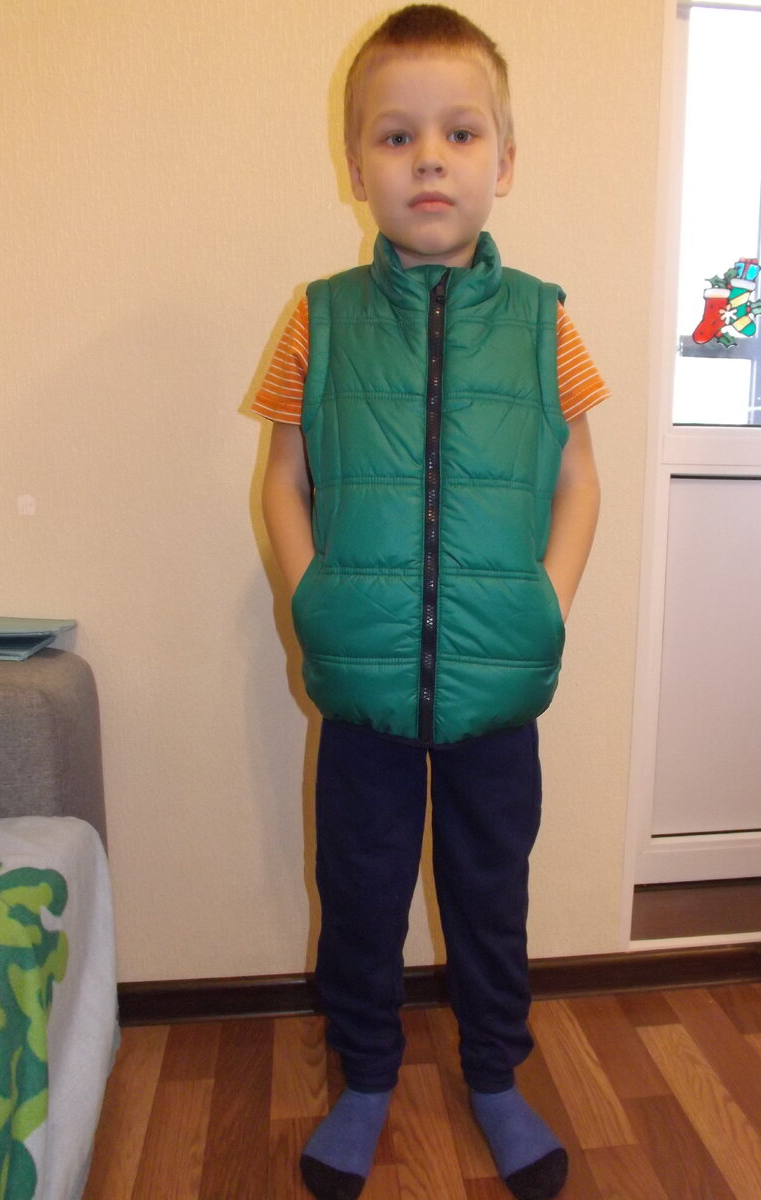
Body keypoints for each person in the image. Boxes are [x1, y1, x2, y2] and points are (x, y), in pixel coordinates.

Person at [255, 6, 607, 1198]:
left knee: (489, 893)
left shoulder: (546, 318)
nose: (429, 160)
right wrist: (310, 596)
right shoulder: (320, 317)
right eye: (396, 135)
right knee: (357, 891)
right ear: (355, 163)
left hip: (500, 686)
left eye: (460, 133)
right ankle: (365, 1075)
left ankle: (495, 1074)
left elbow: (580, 476)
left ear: (505, 161)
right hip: (360, 687)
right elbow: (284, 475)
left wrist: (549, 601)